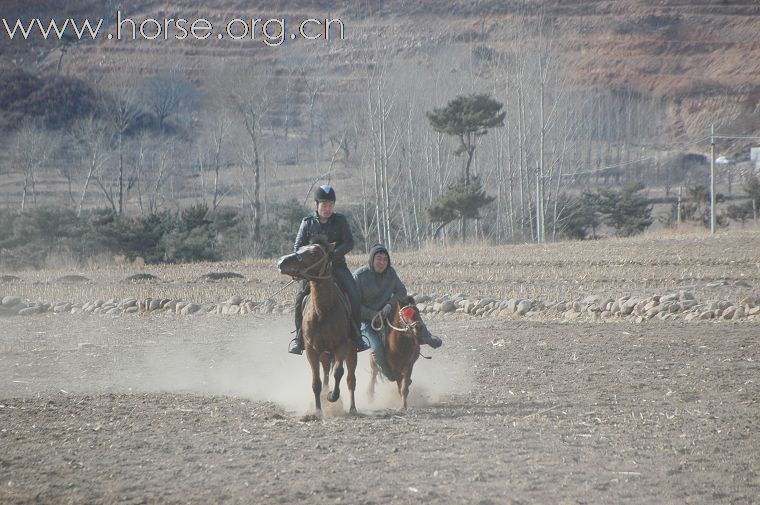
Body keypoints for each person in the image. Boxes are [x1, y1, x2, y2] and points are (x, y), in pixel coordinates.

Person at [288, 184, 370, 355]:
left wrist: (333, 255)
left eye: (330, 205)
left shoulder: (340, 220)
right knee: (299, 300)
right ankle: (299, 338)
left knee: (354, 294)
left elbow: (349, 242)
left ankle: (357, 336)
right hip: (313, 271)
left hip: (336, 266)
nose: (327, 208)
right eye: (324, 205)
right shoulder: (307, 223)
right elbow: (297, 246)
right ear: (317, 205)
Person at [354, 243, 442, 380]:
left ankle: (427, 337)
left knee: (411, 313)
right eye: (378, 258)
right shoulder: (359, 276)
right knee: (377, 348)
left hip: (388, 313)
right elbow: (354, 304)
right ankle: (389, 374)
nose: (382, 262)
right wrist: (372, 314)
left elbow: (401, 291)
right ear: (371, 259)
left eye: (385, 259)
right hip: (367, 321)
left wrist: (389, 305)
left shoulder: (391, 273)